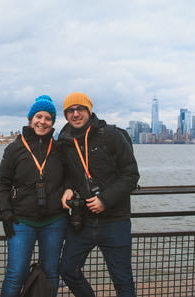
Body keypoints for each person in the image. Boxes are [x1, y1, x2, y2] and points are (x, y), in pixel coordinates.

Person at [58, 92, 140, 297]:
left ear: (89, 111)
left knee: (122, 280)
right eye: (70, 110)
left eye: (80, 109)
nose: (75, 114)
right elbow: (68, 174)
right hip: (82, 221)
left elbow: (131, 175)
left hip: (115, 220)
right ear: (66, 115)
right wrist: (67, 187)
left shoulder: (111, 135)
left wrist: (105, 200)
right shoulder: (65, 141)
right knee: (68, 270)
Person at [0, 95, 68, 297]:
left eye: (48, 118)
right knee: (15, 275)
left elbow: (71, 177)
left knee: (51, 273)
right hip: (21, 221)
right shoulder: (14, 149)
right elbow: (2, 184)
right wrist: (5, 214)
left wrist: (69, 190)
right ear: (30, 119)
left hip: (55, 221)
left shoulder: (60, 148)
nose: (42, 122)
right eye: (38, 116)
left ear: (52, 122)